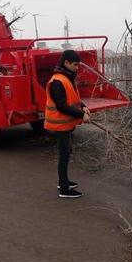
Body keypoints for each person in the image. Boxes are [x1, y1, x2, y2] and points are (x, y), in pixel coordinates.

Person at [44, 50, 91, 198]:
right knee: (64, 155)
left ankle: (63, 182)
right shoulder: (57, 81)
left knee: (66, 153)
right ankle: (64, 189)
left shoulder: (67, 78)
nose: (78, 68)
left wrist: (82, 106)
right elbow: (62, 106)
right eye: (75, 65)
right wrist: (81, 115)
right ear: (66, 63)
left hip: (65, 124)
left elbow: (74, 98)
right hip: (60, 125)